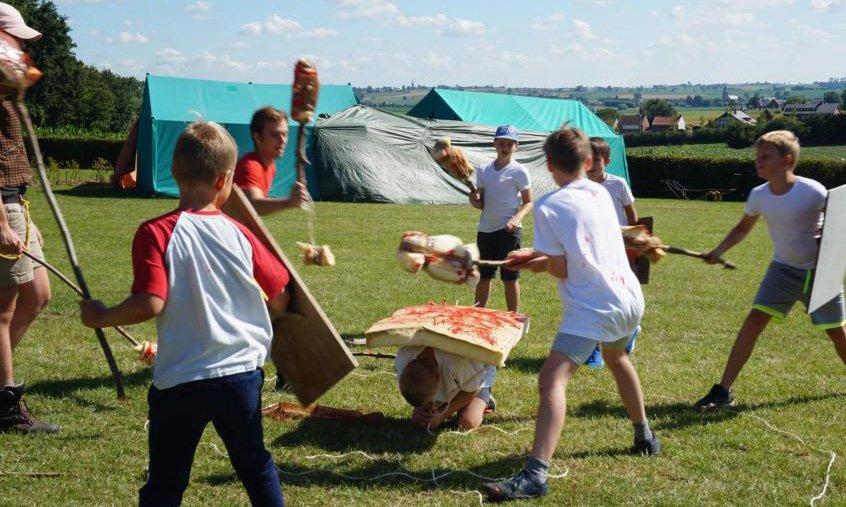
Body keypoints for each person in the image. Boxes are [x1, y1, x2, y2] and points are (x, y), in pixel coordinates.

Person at [79, 122, 290, 506]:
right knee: (255, 466)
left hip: (182, 381)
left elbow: (150, 303)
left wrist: (101, 317)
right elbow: (279, 296)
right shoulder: (241, 233)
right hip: (241, 376)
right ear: (226, 179)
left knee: (166, 481)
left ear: (174, 172)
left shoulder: (155, 232)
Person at [484, 126, 660, 502]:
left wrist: (534, 262)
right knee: (617, 358)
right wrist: (534, 254)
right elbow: (581, 245)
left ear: (549, 164)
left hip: (595, 307)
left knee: (551, 381)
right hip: (629, 298)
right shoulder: (599, 191)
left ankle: (535, 475)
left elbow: (561, 268)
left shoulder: (549, 206)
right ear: (587, 161)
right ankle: (644, 434)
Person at [694, 130, 846, 410]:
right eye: (757, 156)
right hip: (782, 270)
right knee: (753, 322)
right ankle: (723, 390)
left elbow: (838, 221)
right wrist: (717, 251)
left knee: (837, 333)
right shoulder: (759, 195)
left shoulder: (812, 191)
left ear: (787, 160)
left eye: (765, 157)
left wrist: (829, 233)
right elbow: (743, 227)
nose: (758, 161)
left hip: (818, 273)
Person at [0, 2, 55, 434]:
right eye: (15, 40)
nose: (22, 48)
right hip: (0, 207)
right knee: (2, 309)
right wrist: (2, 221)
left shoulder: (6, 96)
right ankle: (4, 405)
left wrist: (22, 213)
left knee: (38, 294)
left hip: (14, 202)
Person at [583, 137, 639, 368]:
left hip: (618, 253)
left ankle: (631, 330)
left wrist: (634, 248)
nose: (591, 164)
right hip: (592, 253)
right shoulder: (581, 186)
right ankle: (594, 349)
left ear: (607, 160)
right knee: (593, 300)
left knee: (619, 298)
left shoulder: (618, 185)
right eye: (586, 159)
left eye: (596, 159)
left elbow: (632, 216)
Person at [469, 125, 532, 312]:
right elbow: (480, 204)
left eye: (510, 144)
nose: (505, 147)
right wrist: (474, 199)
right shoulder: (483, 170)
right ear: (494, 144)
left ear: (516, 146)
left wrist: (516, 218)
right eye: (501, 143)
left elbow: (529, 202)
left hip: (509, 233)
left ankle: (513, 318)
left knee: (510, 278)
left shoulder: (520, 171)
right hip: (486, 230)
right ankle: (478, 315)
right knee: (484, 276)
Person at [395, 346, 496, 430]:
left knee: (468, 423)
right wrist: (421, 409)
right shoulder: (404, 358)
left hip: (477, 375)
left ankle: (486, 399)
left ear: (438, 377)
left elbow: (474, 390)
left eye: (433, 396)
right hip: (454, 376)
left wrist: (441, 416)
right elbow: (416, 383)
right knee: (419, 421)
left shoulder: (458, 364)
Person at [234, 106, 309, 215]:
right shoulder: (250, 166)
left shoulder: (270, 166)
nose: (282, 140)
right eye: (275, 135)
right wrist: (289, 202)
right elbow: (251, 205)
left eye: (285, 134)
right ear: (258, 137)